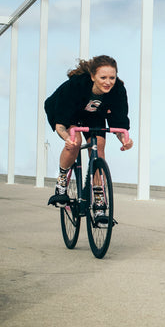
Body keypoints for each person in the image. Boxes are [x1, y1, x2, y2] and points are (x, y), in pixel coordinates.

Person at [45, 55, 133, 215]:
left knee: (99, 147)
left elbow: (118, 123)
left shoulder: (118, 90)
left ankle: (99, 195)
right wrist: (67, 138)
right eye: (103, 77)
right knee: (75, 141)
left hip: (93, 114)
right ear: (93, 76)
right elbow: (60, 125)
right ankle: (62, 181)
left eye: (112, 77)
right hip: (68, 111)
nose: (108, 82)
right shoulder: (76, 85)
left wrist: (124, 140)